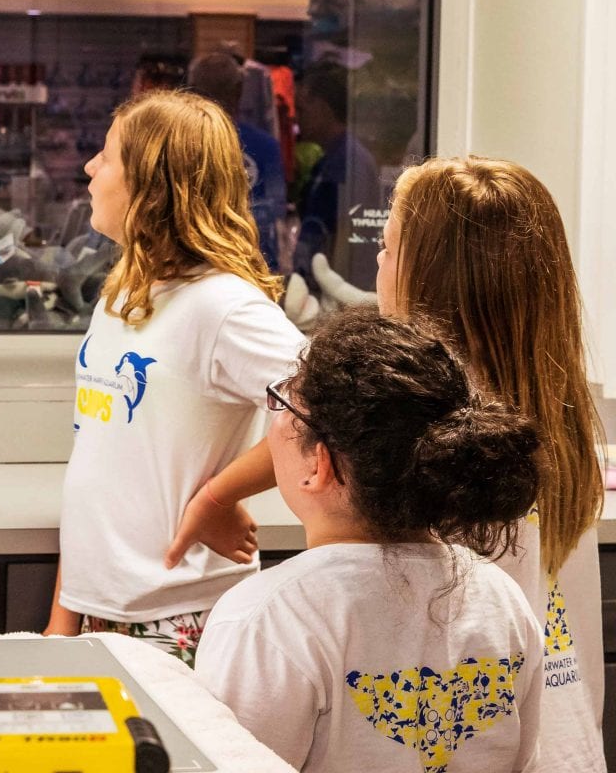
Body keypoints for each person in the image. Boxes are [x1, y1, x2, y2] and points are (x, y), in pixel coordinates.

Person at [197, 308, 544, 773]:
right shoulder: (502, 600)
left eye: (282, 401)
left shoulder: (268, 620)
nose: (273, 416)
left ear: (320, 464)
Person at [43, 90, 303, 665]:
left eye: (106, 157)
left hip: (177, 615)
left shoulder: (223, 307)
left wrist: (217, 496)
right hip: (97, 607)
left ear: (151, 185)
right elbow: (98, 456)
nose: (90, 168)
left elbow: (335, 406)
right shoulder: (121, 295)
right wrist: (62, 619)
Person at [379, 157, 606, 771]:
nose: (377, 263)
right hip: (562, 732)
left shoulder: (432, 433)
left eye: (389, 248)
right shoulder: (555, 413)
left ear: (433, 283)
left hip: (471, 745)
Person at [186, 51, 287, 271]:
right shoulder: (266, 146)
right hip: (254, 262)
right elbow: (277, 208)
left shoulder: (181, 145)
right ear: (239, 90)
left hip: (194, 264)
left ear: (192, 90)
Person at [292, 60, 382, 291]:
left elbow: (349, 231)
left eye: (302, 109)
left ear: (323, 107)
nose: (296, 118)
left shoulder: (350, 161)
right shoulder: (331, 158)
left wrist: (336, 290)